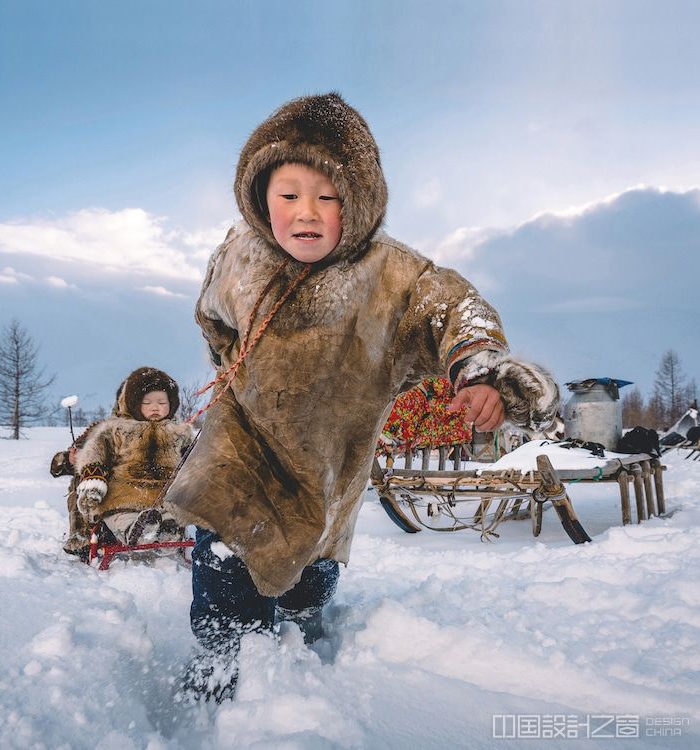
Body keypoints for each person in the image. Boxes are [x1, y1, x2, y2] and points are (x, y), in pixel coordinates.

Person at [162, 93, 560, 702]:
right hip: (237, 448)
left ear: (360, 202)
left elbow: (455, 310)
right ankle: (221, 671)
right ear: (260, 194)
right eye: (289, 194)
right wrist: (227, 361)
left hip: (327, 469)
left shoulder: (393, 277)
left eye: (329, 197)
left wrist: (478, 371)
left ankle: (296, 664)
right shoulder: (240, 255)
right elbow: (212, 313)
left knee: (304, 585)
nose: (307, 212)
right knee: (222, 566)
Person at [75, 367, 194, 546]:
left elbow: (194, 462)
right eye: (147, 403)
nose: (155, 407)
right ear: (134, 403)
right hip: (123, 495)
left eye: (162, 403)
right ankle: (135, 530)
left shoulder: (180, 433)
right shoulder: (117, 429)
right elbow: (95, 454)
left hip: (166, 497)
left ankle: (169, 533)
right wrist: (93, 481)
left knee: (172, 516)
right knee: (120, 516)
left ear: (172, 404)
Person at [50, 383, 126, 556]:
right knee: (83, 481)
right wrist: (70, 460)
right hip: (106, 494)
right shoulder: (100, 431)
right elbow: (56, 467)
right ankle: (81, 535)